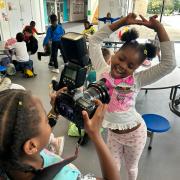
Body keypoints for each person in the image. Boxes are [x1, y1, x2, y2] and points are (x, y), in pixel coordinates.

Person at [89, 13, 176, 180]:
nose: (122, 66)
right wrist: (121, 22)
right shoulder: (101, 69)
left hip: (135, 134)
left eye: (130, 65)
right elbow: (94, 41)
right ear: (114, 54)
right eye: (121, 58)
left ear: (136, 68)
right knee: (112, 171)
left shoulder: (137, 80)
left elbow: (169, 63)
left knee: (131, 169)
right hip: (113, 134)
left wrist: (159, 28)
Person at [0, 89, 120, 180]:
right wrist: (95, 135)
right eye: (46, 121)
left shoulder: (10, 158)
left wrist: (54, 111)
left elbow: (30, 133)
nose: (49, 120)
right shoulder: (64, 177)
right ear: (31, 146)